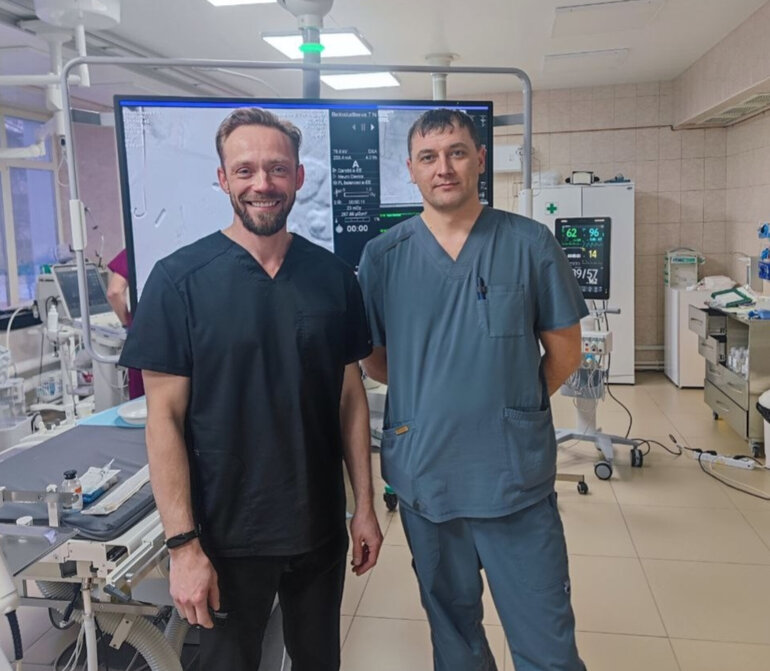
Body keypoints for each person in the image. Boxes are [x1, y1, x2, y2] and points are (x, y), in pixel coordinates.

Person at [119, 107, 383, 671]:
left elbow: (350, 397)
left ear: (298, 177)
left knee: (319, 661)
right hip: (225, 537)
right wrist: (183, 546)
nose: (262, 183)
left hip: (318, 528)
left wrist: (364, 506)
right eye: (245, 170)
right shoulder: (178, 281)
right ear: (223, 179)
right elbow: (163, 419)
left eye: (277, 168)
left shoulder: (333, 278)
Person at [358, 109, 588, 671]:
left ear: (480, 159)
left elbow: (565, 352)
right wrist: (431, 390)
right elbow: (376, 360)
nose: (444, 168)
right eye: (429, 157)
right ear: (410, 169)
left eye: (457, 152)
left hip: (513, 480)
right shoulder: (383, 257)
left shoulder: (529, 244)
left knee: (548, 648)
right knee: (455, 643)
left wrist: (513, 407)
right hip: (427, 480)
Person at [106, 248, 144, 399]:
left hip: (144, 336)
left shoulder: (138, 245)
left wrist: (129, 324)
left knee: (145, 405)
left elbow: (114, 291)